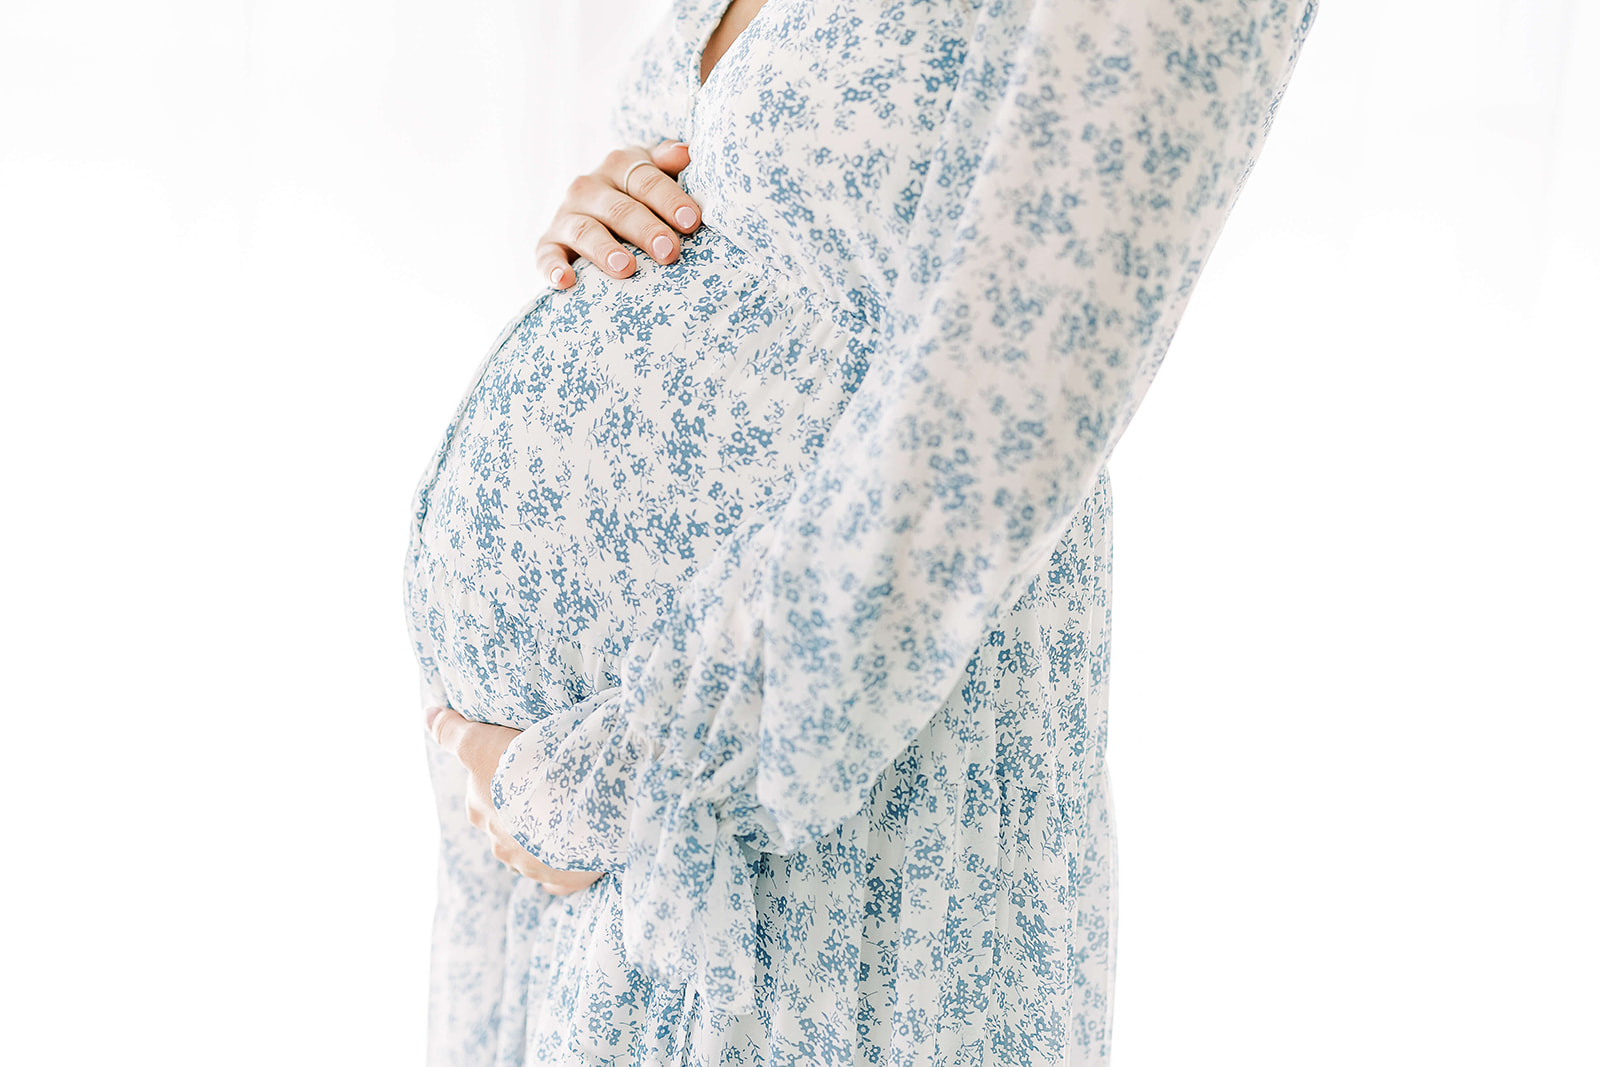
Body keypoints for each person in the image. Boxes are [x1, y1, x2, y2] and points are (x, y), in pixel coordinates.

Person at [405, 0, 1317, 1063]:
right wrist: (630, 203)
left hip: (789, 853)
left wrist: (607, 783)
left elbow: (990, 435)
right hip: (594, 873)